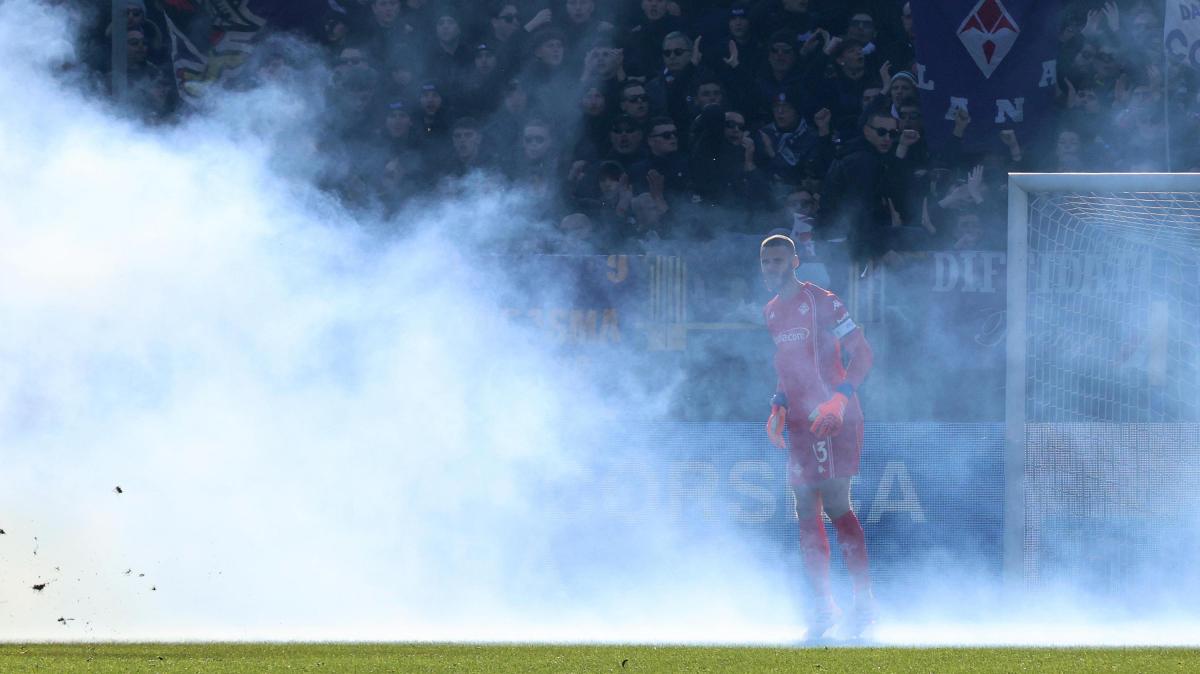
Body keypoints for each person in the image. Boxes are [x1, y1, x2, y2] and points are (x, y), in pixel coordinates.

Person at [759, 233, 876, 640]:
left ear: (794, 261)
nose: (771, 268)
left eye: (778, 261)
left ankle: (863, 605)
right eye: (766, 262)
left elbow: (863, 353)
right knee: (803, 507)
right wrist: (777, 403)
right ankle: (824, 607)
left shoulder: (824, 302)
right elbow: (785, 364)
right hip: (799, 419)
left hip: (831, 415)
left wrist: (840, 402)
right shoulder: (771, 312)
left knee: (835, 503)